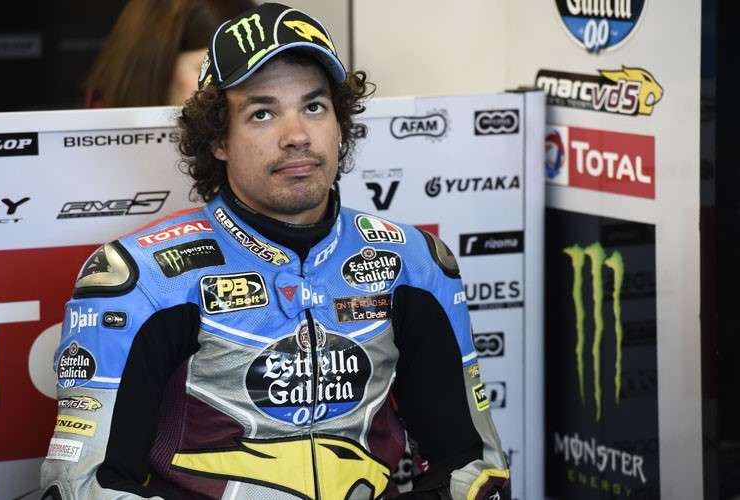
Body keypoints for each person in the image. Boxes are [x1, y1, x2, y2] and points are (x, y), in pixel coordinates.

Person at [41, 3, 511, 499]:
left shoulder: (414, 264)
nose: (297, 136)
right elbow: (80, 486)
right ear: (218, 139)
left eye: (314, 107)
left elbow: (474, 466)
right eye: (262, 113)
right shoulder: (143, 279)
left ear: (340, 123)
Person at [85, 0, 255, 108]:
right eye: (211, 69)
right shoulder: (84, 145)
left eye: (248, 69)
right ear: (152, 69)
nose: (235, 85)